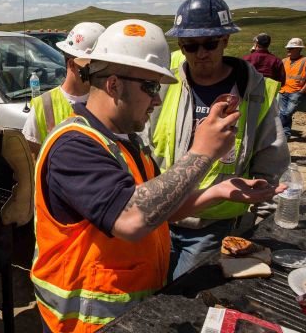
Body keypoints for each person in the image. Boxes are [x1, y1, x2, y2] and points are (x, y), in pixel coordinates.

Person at [31, 19, 283, 333]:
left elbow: (158, 209)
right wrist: (202, 152)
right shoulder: (74, 146)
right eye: (151, 86)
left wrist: (220, 192)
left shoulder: (124, 142)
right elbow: (132, 219)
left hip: (127, 317)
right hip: (84, 324)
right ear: (113, 85)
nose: (158, 99)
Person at [152, 0, 289, 280]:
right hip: (158, 222)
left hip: (215, 228)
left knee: (187, 297)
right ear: (180, 45)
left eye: (210, 43)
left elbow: (271, 160)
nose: (201, 53)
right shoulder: (164, 82)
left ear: (225, 41)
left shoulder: (256, 92)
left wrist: (257, 222)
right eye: (191, 45)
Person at [22, 22, 104, 155]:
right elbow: (33, 158)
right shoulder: (44, 105)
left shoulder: (107, 101)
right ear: (72, 64)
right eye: (93, 66)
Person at [278, 37, 306, 139]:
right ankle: (285, 135)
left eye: (291, 48)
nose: (288, 50)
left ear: (298, 49)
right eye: (288, 48)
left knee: (287, 112)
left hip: (296, 92)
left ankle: (281, 133)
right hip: (283, 90)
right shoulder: (284, 61)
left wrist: (302, 90)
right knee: (283, 113)